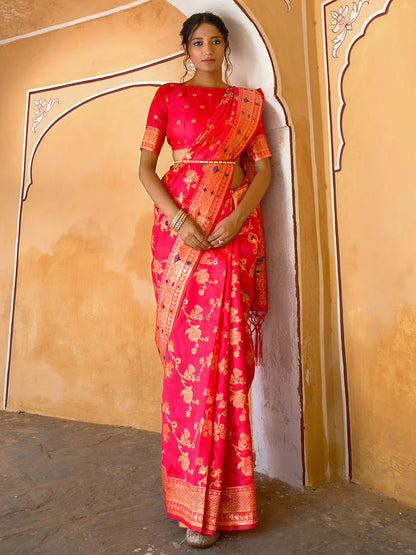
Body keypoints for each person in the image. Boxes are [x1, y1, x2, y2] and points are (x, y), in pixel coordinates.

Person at [139, 11, 271, 549]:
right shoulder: (167, 96)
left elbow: (262, 170)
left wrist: (236, 219)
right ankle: (190, 500)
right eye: (199, 42)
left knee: (226, 360)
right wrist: (181, 221)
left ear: (225, 46)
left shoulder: (247, 104)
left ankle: (225, 504)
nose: (209, 49)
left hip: (229, 235)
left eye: (217, 41)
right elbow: (146, 169)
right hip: (181, 239)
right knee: (189, 368)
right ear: (187, 48)